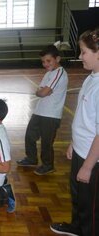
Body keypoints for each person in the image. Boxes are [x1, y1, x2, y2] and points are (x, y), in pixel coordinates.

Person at [50, 29, 99, 236]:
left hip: (93, 159)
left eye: (84, 52)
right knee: (78, 196)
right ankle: (77, 227)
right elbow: (83, 117)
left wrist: (88, 166)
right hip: (81, 150)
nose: (80, 57)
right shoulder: (91, 78)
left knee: (92, 205)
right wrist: (73, 142)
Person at [17, 45, 68, 175]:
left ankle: (48, 165)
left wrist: (41, 91)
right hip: (39, 111)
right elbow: (41, 91)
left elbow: (43, 92)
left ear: (57, 59)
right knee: (30, 136)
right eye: (43, 61)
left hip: (51, 115)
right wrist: (41, 91)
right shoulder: (48, 73)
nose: (45, 64)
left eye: (48, 61)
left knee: (46, 142)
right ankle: (31, 158)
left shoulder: (59, 73)